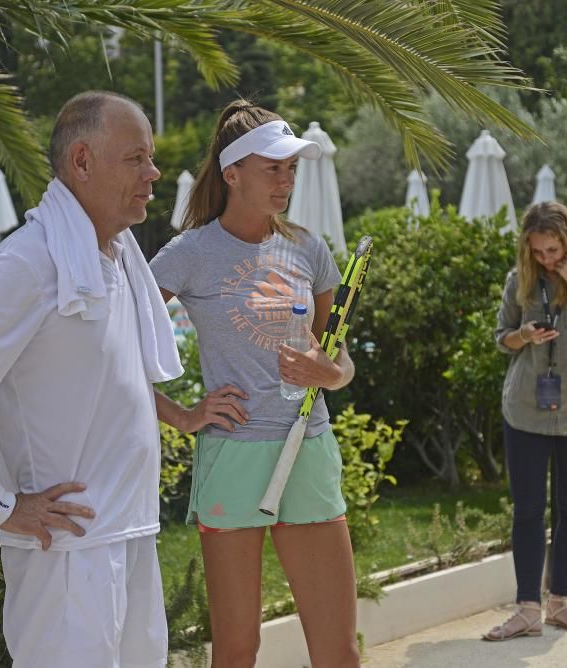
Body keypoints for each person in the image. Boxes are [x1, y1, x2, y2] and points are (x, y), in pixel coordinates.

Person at [0, 91, 231, 668]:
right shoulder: (28, 263)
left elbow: (113, 374)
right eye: (136, 158)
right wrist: (0, 506)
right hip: (64, 554)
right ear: (81, 161)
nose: (153, 172)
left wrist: (182, 416)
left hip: (128, 533)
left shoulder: (118, 255)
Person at [148, 100, 360, 667]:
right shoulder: (189, 253)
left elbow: (339, 358)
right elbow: (113, 350)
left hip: (308, 448)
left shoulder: (309, 248)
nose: (286, 181)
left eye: (291, 169)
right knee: (238, 649)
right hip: (233, 455)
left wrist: (329, 374)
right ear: (232, 172)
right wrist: (183, 414)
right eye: (274, 168)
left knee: (339, 651)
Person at [485, 201, 567, 641]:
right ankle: (527, 608)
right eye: (538, 252)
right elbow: (501, 337)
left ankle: (559, 603)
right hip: (525, 409)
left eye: (554, 250)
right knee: (527, 512)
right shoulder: (518, 280)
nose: (546, 259)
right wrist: (523, 335)